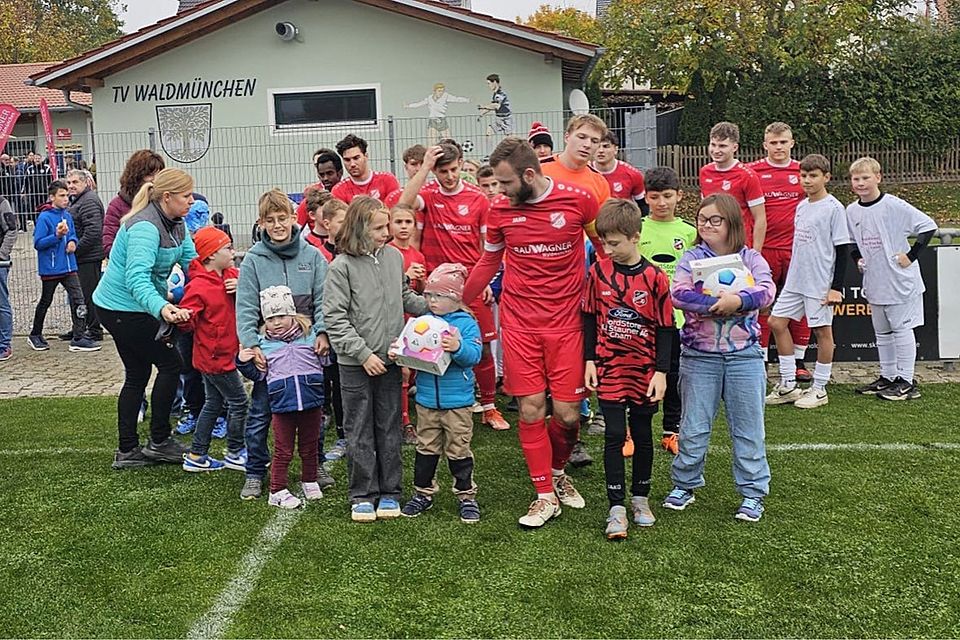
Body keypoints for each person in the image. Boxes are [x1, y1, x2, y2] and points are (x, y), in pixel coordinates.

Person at [462, 138, 605, 528]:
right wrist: (460, 300)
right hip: (521, 324)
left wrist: (614, 296)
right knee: (530, 409)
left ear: (529, 175)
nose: (500, 192)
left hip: (569, 324)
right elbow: (489, 260)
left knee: (568, 414)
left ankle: (558, 472)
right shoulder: (499, 213)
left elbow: (604, 251)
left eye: (506, 184)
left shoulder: (579, 200)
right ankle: (544, 494)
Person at [664, 193, 775, 522]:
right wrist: (716, 303)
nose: (707, 225)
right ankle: (685, 484)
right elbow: (678, 293)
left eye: (715, 220)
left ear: (732, 224)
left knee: (748, 430)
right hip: (699, 358)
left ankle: (753, 492)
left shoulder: (751, 259)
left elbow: (766, 291)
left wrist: (738, 302)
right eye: (702, 219)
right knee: (694, 427)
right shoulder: (690, 258)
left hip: (746, 358)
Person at [322, 196, 428, 522]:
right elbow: (335, 319)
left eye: (387, 226)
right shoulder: (340, 267)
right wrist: (363, 353)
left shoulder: (395, 258)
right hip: (355, 364)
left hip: (391, 360)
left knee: (389, 426)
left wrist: (437, 305)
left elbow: (404, 296)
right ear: (360, 228)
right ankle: (362, 494)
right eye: (380, 227)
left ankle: (391, 492)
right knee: (358, 428)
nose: (387, 233)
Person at [92, 168, 198, 469]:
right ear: (167, 197)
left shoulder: (178, 223)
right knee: (170, 365)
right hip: (121, 309)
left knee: (138, 374)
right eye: (186, 196)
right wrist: (162, 308)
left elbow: (193, 263)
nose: (191, 201)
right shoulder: (145, 227)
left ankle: (128, 451)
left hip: (137, 307)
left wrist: (223, 279)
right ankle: (159, 442)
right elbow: (136, 277)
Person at [400, 141, 508, 431]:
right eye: (442, 171)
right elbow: (403, 204)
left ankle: (488, 406)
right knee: (430, 344)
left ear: (461, 162)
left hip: (471, 285)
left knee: (481, 346)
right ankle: (431, 403)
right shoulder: (429, 194)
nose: (448, 176)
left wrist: (484, 280)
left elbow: (488, 247)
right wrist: (424, 167)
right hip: (436, 288)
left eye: (453, 168)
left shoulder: (478, 199)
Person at [583, 199, 674, 539]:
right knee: (614, 436)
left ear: (635, 237)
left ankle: (640, 499)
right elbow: (589, 316)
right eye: (604, 242)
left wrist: (661, 372)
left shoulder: (654, 278)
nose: (607, 249)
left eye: (615, 243)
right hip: (609, 368)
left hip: (644, 370)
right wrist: (589, 359)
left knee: (643, 435)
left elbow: (667, 328)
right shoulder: (599, 272)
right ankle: (616, 506)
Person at [236, 189, 333, 500]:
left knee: (313, 410)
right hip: (271, 354)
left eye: (283, 218)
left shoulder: (313, 256)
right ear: (261, 223)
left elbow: (324, 301)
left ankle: (313, 466)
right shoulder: (253, 260)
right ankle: (255, 470)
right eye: (270, 220)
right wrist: (253, 346)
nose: (277, 225)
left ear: (295, 219)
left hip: (307, 353)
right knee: (262, 412)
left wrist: (321, 332)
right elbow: (246, 307)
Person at [540, 113, 612, 466]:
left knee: (574, 360)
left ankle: (573, 437)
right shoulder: (540, 171)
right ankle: (540, 444)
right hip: (534, 288)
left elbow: (601, 241)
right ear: (567, 136)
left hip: (575, 286)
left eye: (595, 141)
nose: (588, 145)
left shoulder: (599, 184)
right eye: (582, 137)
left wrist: (607, 277)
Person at [846, 157, 938, 401]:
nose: (861, 183)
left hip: (900, 281)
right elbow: (853, 242)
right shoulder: (852, 210)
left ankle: (906, 380)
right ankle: (887, 376)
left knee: (902, 328)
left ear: (878, 177)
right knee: (882, 331)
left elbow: (928, 226)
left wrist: (911, 256)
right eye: (856, 179)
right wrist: (858, 259)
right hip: (875, 282)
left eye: (866, 178)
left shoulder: (894, 205)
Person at [765, 154, 853, 409]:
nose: (807, 180)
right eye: (803, 175)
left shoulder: (835, 208)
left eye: (813, 176)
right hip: (796, 280)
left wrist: (836, 287)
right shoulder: (802, 206)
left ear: (826, 177)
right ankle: (788, 384)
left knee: (823, 332)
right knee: (776, 322)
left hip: (820, 283)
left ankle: (819, 389)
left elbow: (843, 250)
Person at [397, 263, 483, 523]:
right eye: (428, 296)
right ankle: (423, 493)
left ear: (455, 297)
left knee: (458, 450)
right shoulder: (423, 322)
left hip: (457, 402)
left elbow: (474, 356)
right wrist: (400, 351)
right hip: (425, 400)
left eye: (439, 296)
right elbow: (412, 352)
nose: (432, 301)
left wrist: (457, 347)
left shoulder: (466, 323)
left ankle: (466, 496)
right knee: (426, 449)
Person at [238, 286, 327, 509]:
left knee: (310, 446)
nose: (276, 322)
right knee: (283, 450)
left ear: (293, 314)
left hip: (312, 401)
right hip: (281, 405)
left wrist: (328, 349)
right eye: (270, 318)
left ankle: (309, 480)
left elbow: (327, 362)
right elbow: (258, 375)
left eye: (281, 316)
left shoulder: (312, 336)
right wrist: (242, 361)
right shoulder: (263, 345)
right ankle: (277, 490)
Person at [176, 226, 248, 471]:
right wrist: (183, 316)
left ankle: (197, 455)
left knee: (213, 403)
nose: (233, 251)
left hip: (222, 354)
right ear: (210, 255)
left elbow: (250, 293)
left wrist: (242, 288)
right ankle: (236, 451)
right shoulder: (198, 286)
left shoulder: (232, 276)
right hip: (215, 357)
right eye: (227, 247)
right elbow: (188, 321)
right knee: (239, 403)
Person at [637, 167, 697, 454]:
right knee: (641, 374)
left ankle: (671, 430)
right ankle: (637, 429)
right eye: (655, 196)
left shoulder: (689, 232)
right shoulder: (637, 228)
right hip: (642, 318)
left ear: (679, 196)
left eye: (668, 196)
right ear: (646, 198)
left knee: (674, 375)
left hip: (677, 318)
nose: (662, 203)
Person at [749, 122, 812, 382]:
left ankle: (799, 361)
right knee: (762, 305)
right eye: (773, 142)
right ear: (765, 145)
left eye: (783, 142)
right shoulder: (752, 171)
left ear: (792, 143)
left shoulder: (803, 172)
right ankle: (760, 360)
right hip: (764, 250)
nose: (778, 147)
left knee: (800, 304)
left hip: (797, 250)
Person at [27, 181, 100, 353]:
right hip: (51, 268)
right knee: (46, 301)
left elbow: (73, 234)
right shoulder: (44, 217)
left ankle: (79, 336)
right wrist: (57, 236)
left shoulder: (67, 215)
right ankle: (35, 334)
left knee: (79, 300)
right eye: (61, 195)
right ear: (52, 197)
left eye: (67, 195)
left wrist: (73, 242)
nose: (66, 199)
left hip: (69, 266)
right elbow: (38, 243)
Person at [303, 195, 348, 462]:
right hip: (323, 327)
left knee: (343, 384)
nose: (346, 226)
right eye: (342, 221)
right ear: (327, 223)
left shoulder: (354, 251)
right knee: (325, 380)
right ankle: (320, 430)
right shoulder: (317, 252)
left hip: (345, 330)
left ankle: (345, 434)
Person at [388, 203, 427, 443]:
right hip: (394, 319)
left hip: (413, 320)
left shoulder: (417, 254)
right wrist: (406, 277)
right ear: (390, 225)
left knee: (412, 370)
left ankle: (412, 413)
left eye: (408, 222)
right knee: (402, 371)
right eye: (398, 222)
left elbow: (421, 291)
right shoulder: (388, 252)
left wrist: (421, 280)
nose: (403, 227)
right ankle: (404, 423)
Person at [699, 122, 767, 252]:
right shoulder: (705, 172)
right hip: (711, 245)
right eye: (713, 145)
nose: (716, 150)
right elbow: (703, 209)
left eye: (722, 146)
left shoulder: (747, 176)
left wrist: (756, 253)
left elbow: (760, 218)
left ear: (734, 147)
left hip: (738, 244)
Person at [65, 169, 105, 343]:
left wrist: (76, 250)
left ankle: (94, 330)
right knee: (78, 295)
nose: (71, 186)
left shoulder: (88, 201)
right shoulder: (77, 201)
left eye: (75, 182)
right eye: (69, 182)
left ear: (85, 183)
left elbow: (93, 232)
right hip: (81, 257)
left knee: (88, 295)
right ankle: (79, 328)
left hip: (88, 257)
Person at [103, 150, 165, 257]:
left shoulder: (163, 203)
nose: (155, 180)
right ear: (137, 175)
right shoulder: (117, 205)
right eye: (150, 175)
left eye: (159, 175)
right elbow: (109, 244)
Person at [331, 134, 400, 204]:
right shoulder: (339, 190)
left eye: (356, 158)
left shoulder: (387, 180)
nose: (352, 164)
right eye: (347, 160)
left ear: (366, 156)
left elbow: (396, 211)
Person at [593, 131, 649, 214]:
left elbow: (643, 205)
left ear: (616, 149)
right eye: (597, 146)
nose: (600, 150)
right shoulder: (584, 172)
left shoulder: (633, 174)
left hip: (621, 224)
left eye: (606, 146)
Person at [404, 83, 470, 141]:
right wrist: (409, 106)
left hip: (442, 120)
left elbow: (456, 99)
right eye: (439, 91)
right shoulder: (429, 98)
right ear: (435, 91)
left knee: (448, 140)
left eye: (442, 91)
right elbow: (420, 103)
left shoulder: (446, 96)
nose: (441, 93)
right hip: (433, 121)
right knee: (431, 140)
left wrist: (467, 100)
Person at [295, 148, 343, 227]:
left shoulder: (348, 192)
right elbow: (296, 227)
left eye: (329, 173)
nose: (325, 178)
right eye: (322, 175)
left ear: (340, 173)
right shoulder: (311, 197)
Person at [0, 193, 14, 361]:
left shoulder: (2, 203)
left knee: (1, 303)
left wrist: (2, 255)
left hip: (0, 264)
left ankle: (4, 345)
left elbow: (11, 230)